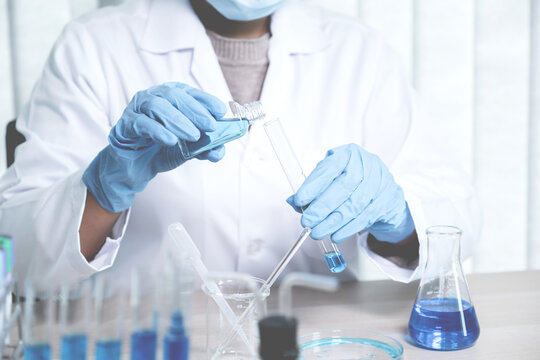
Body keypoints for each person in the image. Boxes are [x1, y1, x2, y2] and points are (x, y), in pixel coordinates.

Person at [0, 0, 480, 289]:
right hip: (146, 340)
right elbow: (17, 260)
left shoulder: (360, 54)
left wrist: (397, 216)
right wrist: (102, 189)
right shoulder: (92, 46)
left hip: (314, 338)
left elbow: (454, 224)